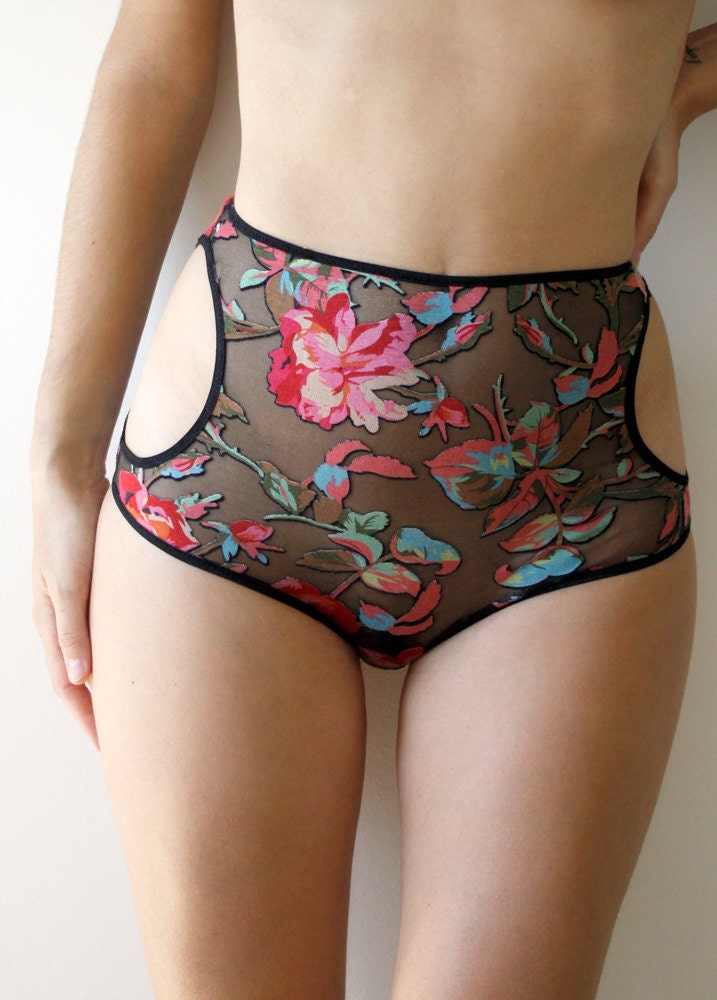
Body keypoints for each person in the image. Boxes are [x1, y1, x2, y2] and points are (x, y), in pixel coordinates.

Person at [29, 1, 716, 997]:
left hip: (575, 488)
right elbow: (154, 64)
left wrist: (686, 81)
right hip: (233, 453)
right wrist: (61, 450)